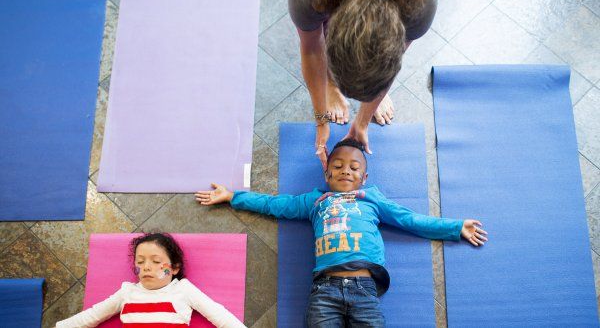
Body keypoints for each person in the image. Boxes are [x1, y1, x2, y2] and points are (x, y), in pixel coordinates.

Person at [195, 139, 487, 326]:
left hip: (364, 289)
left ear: (364, 177)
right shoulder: (314, 201)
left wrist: (455, 226)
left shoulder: (372, 198)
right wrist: (233, 196)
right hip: (324, 290)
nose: (345, 171)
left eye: (353, 167)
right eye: (338, 166)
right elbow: (275, 204)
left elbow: (409, 219)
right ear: (327, 174)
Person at [290, 0, 438, 170]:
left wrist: (363, 122)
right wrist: (321, 120)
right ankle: (331, 84)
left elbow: (396, 57)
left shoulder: (421, 6)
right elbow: (312, 50)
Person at [55, 233, 246, 328]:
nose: (146, 267)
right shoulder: (127, 292)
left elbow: (219, 315)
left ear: (174, 268)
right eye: (140, 261)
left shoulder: (183, 290)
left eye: (156, 262)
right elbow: (93, 315)